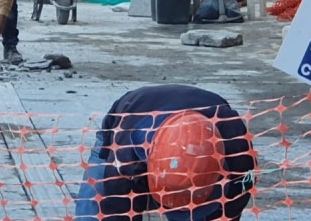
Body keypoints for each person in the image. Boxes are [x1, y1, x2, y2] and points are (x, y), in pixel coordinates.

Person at [75, 85, 256, 221]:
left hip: (203, 110)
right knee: (93, 213)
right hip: (129, 115)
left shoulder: (237, 148)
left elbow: (234, 204)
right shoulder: (124, 156)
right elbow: (114, 210)